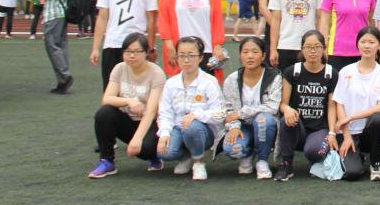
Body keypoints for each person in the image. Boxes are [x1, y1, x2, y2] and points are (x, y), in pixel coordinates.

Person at [88, 32, 167, 178]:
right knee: (104, 113)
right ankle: (107, 161)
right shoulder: (119, 68)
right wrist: (129, 101)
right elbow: (107, 98)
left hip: (151, 123)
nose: (132, 56)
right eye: (128, 51)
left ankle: (154, 156)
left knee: (145, 149)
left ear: (146, 53)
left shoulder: (156, 73)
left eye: (137, 52)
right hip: (128, 120)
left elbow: (151, 111)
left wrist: (137, 139)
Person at [90, 0, 158, 90]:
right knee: (110, 89)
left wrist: (151, 47)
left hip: (137, 47)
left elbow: (152, 19)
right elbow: (102, 18)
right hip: (112, 44)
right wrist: (95, 47)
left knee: (137, 90)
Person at [156, 36, 224, 181]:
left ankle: (198, 162)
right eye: (182, 56)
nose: (186, 60)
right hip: (178, 128)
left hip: (202, 131)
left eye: (191, 55)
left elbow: (219, 114)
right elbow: (165, 113)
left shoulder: (209, 82)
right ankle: (186, 156)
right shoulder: (171, 83)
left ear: (201, 57)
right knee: (164, 153)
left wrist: (196, 115)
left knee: (192, 127)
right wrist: (164, 134)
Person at [274, 30, 338, 181]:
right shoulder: (292, 71)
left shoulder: (331, 73)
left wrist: (332, 133)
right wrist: (287, 109)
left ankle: (318, 160)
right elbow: (283, 104)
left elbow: (332, 106)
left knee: (315, 152)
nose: (312, 51)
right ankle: (286, 164)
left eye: (317, 47)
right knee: (286, 120)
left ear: (323, 49)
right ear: (302, 49)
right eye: (308, 47)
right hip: (298, 128)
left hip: (320, 129)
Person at [332, 26, 380, 181]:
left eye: (371, 42)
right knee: (352, 173)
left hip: (369, 133)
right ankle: (357, 157)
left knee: (379, 119)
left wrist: (351, 117)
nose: (367, 46)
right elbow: (339, 103)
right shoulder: (346, 71)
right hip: (348, 132)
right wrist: (346, 135)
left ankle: (375, 162)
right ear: (357, 44)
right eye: (363, 42)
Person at [221, 37, 281, 179]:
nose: (250, 56)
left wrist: (241, 113)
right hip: (242, 126)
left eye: (255, 52)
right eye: (245, 52)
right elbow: (229, 110)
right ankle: (247, 154)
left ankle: (262, 160)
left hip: (265, 125)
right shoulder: (232, 80)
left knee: (264, 120)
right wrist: (234, 127)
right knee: (232, 150)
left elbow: (272, 107)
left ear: (263, 56)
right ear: (240, 55)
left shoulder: (274, 77)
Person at [157, 0, 225, 77]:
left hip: (205, 50)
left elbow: (217, 21)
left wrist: (217, 45)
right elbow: (163, 19)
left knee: (206, 86)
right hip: (180, 51)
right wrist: (170, 46)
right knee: (180, 86)